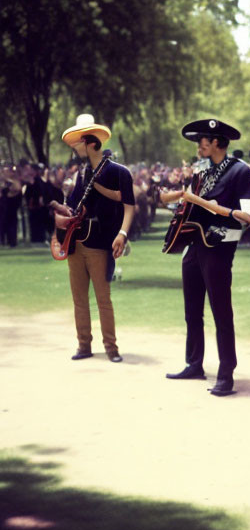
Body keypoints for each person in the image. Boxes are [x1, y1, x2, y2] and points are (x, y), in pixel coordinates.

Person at [162, 118, 250, 396]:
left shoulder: (240, 171)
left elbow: (246, 217)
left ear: (216, 142)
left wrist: (205, 204)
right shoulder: (202, 170)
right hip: (196, 245)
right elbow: (190, 205)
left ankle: (226, 374)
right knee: (192, 310)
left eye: (202, 140)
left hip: (220, 246)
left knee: (221, 312)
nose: (198, 145)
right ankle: (194, 363)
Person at [48, 114, 134, 362]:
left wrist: (122, 234)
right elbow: (73, 206)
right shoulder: (82, 173)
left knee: (103, 299)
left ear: (92, 143)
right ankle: (83, 345)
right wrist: (63, 216)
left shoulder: (118, 172)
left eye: (79, 142)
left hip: (99, 242)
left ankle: (111, 348)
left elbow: (129, 204)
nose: (76, 148)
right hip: (76, 243)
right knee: (79, 300)